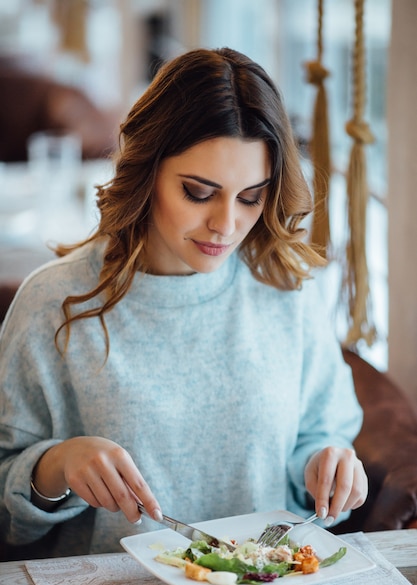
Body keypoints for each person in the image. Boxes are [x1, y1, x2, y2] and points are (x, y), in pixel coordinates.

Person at [0, 47, 367, 558]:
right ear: (147, 169)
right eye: (198, 192)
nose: (226, 224)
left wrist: (329, 466)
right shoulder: (52, 303)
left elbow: (322, 431)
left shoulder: (289, 293)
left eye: (250, 196)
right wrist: (56, 465)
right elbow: (5, 503)